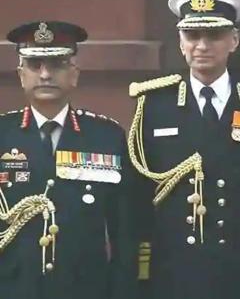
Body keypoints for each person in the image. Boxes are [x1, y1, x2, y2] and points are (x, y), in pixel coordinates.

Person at [127, 0, 240, 299]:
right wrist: (142, 268)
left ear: (234, 40)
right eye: (193, 36)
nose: (202, 46)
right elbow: (139, 196)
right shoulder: (154, 106)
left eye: (214, 36)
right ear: (180, 42)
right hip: (174, 272)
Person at [0, 21, 137, 299]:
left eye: (57, 64)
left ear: (74, 74)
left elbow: (125, 228)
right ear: (21, 74)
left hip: (86, 289)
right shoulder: (3, 133)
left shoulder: (106, 137)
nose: (46, 74)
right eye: (35, 65)